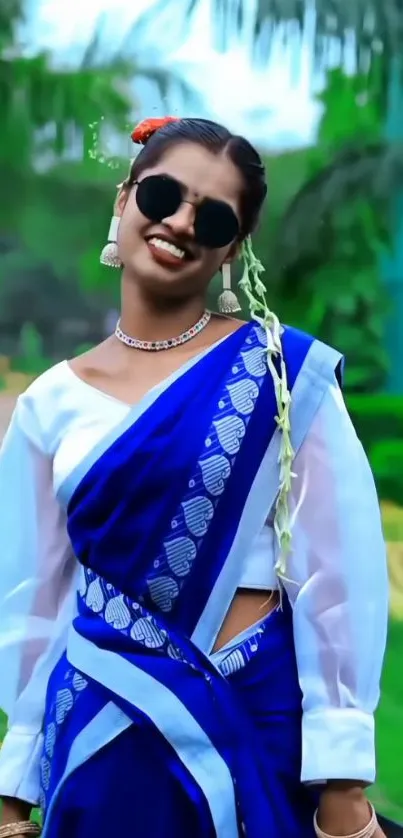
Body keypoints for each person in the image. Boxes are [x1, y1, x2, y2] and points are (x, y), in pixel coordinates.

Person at [0, 116, 389, 838]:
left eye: (211, 218)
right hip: (103, 730)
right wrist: (13, 791)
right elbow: (33, 603)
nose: (180, 222)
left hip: (252, 712)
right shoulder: (49, 403)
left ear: (231, 249)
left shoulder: (280, 373)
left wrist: (342, 782)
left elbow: (337, 575)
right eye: (161, 196)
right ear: (124, 198)